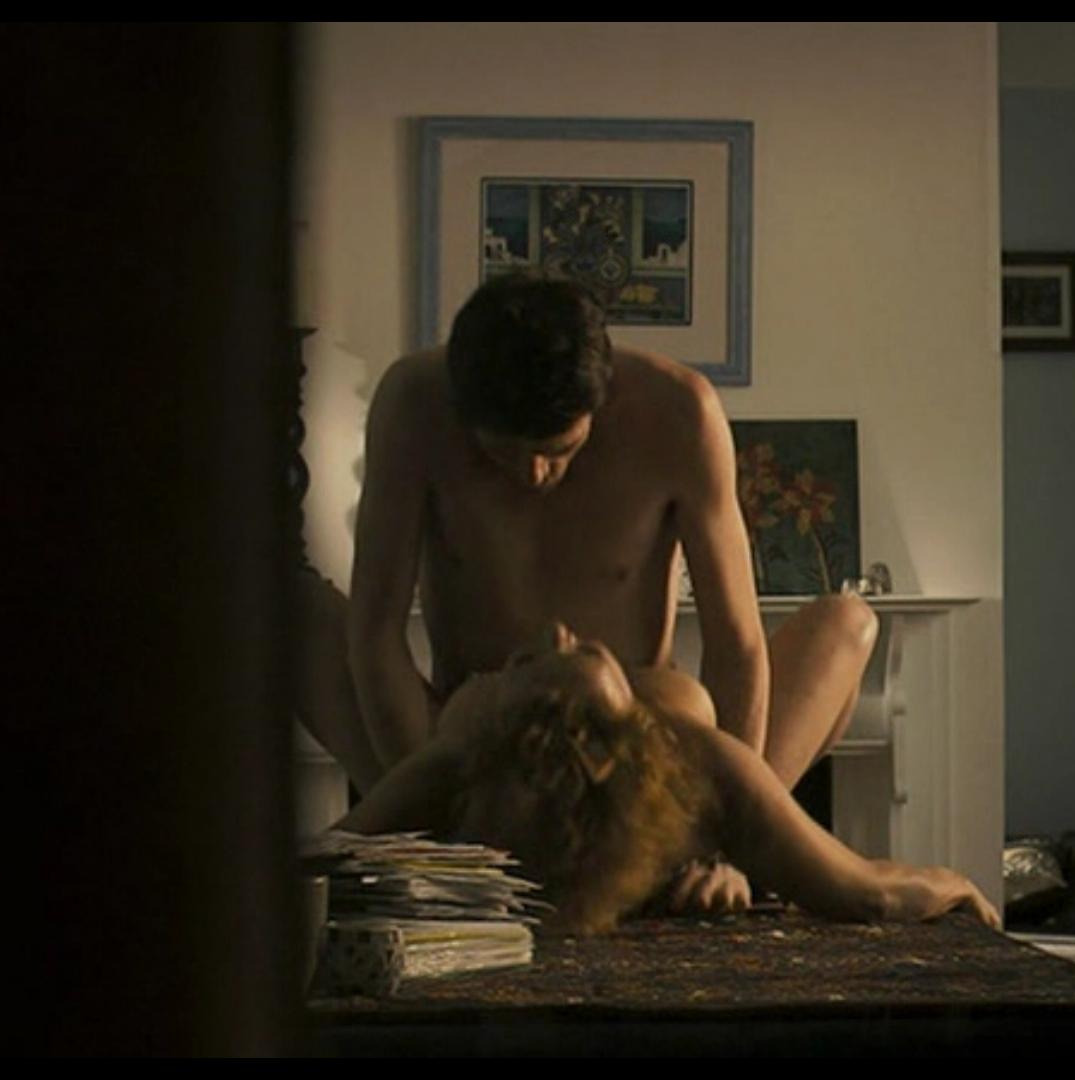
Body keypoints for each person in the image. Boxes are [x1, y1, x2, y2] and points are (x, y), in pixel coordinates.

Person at [332, 273, 876, 911]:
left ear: (603, 397)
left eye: (559, 449)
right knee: (294, 605)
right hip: (475, 740)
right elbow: (375, 635)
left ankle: (719, 849)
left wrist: (724, 848)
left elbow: (736, 641)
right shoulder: (412, 404)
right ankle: (446, 841)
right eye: (503, 455)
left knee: (847, 623)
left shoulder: (680, 411)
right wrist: (429, 796)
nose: (535, 474)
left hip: (638, 745)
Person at [335, 622, 999, 934]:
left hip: (666, 842)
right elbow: (323, 866)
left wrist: (957, 883)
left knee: (846, 622)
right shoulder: (457, 763)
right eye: (531, 658)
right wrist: (957, 884)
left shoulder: (703, 760)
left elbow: (866, 890)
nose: (560, 625)